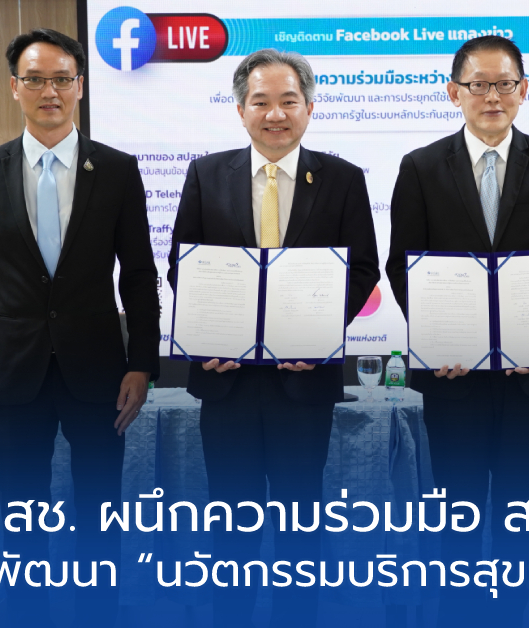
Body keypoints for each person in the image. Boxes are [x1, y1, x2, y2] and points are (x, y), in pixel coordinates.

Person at [0, 28, 159, 628]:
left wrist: (142, 365)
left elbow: (139, 275)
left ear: (80, 87)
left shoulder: (116, 169)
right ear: (14, 87)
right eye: (35, 79)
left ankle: (99, 616)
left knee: (100, 515)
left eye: (62, 79)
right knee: (20, 517)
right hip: (14, 372)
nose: (50, 92)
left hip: (99, 371)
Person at [386, 36, 529, 626]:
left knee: (517, 510)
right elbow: (403, 266)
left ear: (523, 90)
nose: (492, 96)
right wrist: (437, 339)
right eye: (478, 84)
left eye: (504, 84)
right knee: (456, 512)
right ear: (454, 93)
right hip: (452, 378)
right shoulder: (420, 166)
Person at [166, 49, 380, 628]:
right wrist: (208, 334)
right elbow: (184, 266)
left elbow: (363, 270)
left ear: (309, 107)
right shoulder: (206, 174)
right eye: (261, 101)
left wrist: (317, 334)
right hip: (226, 383)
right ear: (241, 110)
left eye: (289, 101)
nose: (276, 114)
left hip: (303, 386)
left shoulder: (342, 179)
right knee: (230, 526)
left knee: (299, 524)